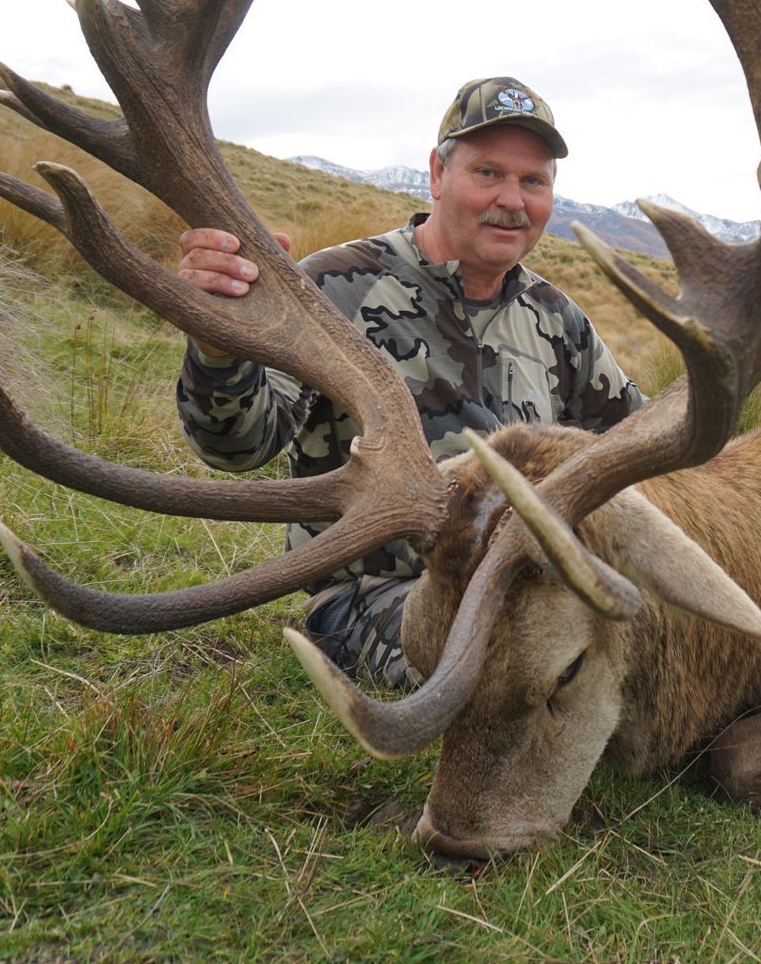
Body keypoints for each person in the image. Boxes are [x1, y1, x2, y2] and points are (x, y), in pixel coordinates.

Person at [173, 76, 644, 689]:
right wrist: (219, 344)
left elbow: (638, 445)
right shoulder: (333, 287)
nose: (513, 200)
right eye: (488, 173)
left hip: (525, 582)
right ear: (438, 174)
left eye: (534, 181)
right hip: (379, 591)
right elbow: (237, 444)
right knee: (508, 672)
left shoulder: (557, 319)